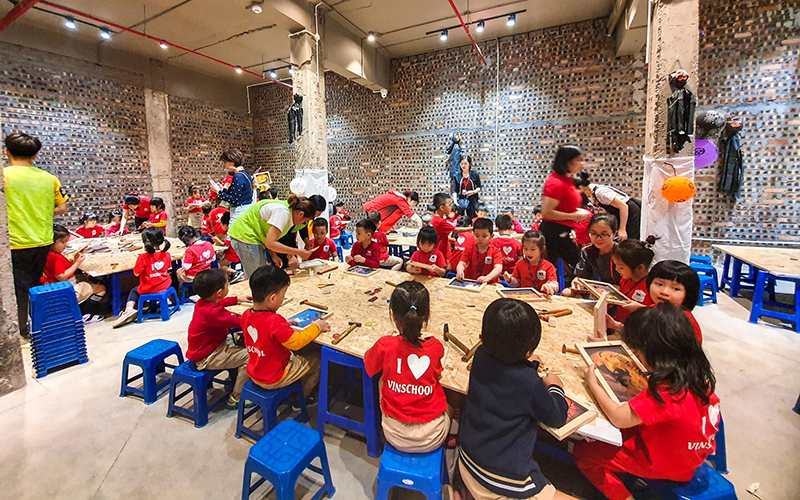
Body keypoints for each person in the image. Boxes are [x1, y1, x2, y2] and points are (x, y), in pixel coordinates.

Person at [574, 304, 720, 500]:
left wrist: (593, 384)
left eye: (637, 351)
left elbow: (619, 417)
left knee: (584, 453)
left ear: (654, 354)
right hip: (691, 457)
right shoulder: (694, 378)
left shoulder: (666, 392)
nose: (635, 355)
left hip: (669, 465)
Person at [459, 299, 574, 500]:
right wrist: (556, 387)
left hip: (467, 459)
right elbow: (556, 416)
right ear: (528, 350)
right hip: (501, 480)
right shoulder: (529, 381)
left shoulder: (481, 355)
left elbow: (506, 376)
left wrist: (527, 364)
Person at [364, 281, 449, 453]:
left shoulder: (385, 345)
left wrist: (387, 342)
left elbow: (369, 366)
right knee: (451, 401)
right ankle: (454, 435)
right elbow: (437, 373)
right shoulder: (436, 347)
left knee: (381, 379)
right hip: (433, 437)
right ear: (427, 315)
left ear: (393, 315)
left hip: (393, 435)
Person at [4, 131, 69, 338]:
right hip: (42, 240)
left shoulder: (4, 176)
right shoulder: (50, 179)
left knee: (16, 290)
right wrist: (39, 211)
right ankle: (36, 326)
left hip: (14, 242)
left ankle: (21, 330)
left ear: (7, 152)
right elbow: (62, 208)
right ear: (35, 155)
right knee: (33, 285)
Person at [242, 265, 330, 398]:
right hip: (275, 376)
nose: (283, 299)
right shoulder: (274, 321)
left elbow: (263, 329)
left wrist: (283, 324)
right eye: (283, 295)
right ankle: (302, 398)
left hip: (255, 371)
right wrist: (317, 326)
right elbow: (296, 343)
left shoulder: (246, 315)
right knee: (317, 359)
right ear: (272, 298)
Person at [186, 269, 251, 408]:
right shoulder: (213, 312)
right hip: (209, 357)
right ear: (219, 292)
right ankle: (237, 396)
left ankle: (234, 378)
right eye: (227, 284)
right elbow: (239, 322)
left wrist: (237, 299)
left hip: (209, 348)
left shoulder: (203, 303)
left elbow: (219, 302)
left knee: (241, 340)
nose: (229, 286)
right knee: (252, 355)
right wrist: (259, 312)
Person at [227, 196, 317, 278]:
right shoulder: (283, 213)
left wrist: (274, 255)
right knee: (259, 278)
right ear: (300, 214)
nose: (303, 224)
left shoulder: (287, 213)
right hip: (246, 236)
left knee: (258, 275)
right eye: (304, 221)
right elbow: (270, 243)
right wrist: (298, 252)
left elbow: (269, 237)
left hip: (251, 237)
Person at [539, 146, 592, 268]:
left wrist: (576, 212)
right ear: (568, 162)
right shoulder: (556, 183)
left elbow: (564, 206)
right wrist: (573, 216)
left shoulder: (567, 180)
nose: (582, 163)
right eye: (578, 160)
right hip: (553, 233)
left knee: (582, 264)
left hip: (563, 232)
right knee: (582, 265)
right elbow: (546, 212)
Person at [42, 225, 106, 323]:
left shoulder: (51, 254)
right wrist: (77, 263)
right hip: (65, 289)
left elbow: (64, 267)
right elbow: (62, 276)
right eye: (63, 242)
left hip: (61, 286)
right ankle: (85, 314)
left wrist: (75, 260)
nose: (65, 245)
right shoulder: (55, 257)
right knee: (101, 289)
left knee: (87, 282)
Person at [113, 228, 173, 328]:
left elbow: (136, 273)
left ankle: (129, 310)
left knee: (134, 291)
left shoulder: (143, 257)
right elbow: (168, 268)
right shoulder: (167, 254)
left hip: (150, 287)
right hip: (165, 284)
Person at [562, 214, 621, 296]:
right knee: (566, 292)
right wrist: (577, 281)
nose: (598, 238)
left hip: (621, 292)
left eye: (604, 234)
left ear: (614, 234)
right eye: (593, 233)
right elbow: (581, 276)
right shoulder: (587, 252)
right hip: (597, 291)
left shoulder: (622, 252)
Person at [574, 172, 641, 241]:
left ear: (580, 188)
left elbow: (624, 207)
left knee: (629, 240)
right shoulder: (591, 193)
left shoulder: (600, 192)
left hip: (629, 212)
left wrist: (622, 229)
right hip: (619, 214)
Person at [612, 238, 657, 323]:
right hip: (619, 323)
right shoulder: (625, 279)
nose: (616, 269)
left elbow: (659, 313)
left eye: (621, 267)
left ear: (640, 268)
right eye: (616, 265)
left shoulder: (653, 286)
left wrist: (640, 308)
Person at [505, 230, 559, 295]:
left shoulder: (548, 266)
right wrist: (510, 280)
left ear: (542, 249)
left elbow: (555, 285)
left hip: (542, 297)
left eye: (533, 249)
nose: (528, 253)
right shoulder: (520, 264)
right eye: (525, 249)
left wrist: (549, 286)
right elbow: (517, 282)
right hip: (524, 296)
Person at [213, 148, 253, 225]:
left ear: (232, 161)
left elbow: (234, 200)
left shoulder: (238, 176)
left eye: (226, 162)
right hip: (245, 210)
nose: (225, 165)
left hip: (239, 212)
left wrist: (218, 191)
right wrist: (224, 189)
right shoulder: (245, 174)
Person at [457, 218, 503, 284]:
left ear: (491, 236)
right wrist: (460, 271)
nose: (480, 239)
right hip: (471, 282)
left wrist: (488, 277)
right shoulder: (469, 249)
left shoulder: (495, 251)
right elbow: (462, 263)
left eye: (484, 236)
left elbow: (498, 267)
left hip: (490, 283)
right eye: (477, 236)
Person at [453, 156, 482, 220]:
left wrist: (473, 192)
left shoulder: (474, 174)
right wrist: (455, 202)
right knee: (459, 219)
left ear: (469, 164)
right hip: (461, 200)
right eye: (462, 163)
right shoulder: (457, 175)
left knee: (473, 218)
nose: (463, 166)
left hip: (472, 199)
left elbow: (479, 187)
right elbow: (454, 190)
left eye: (465, 164)